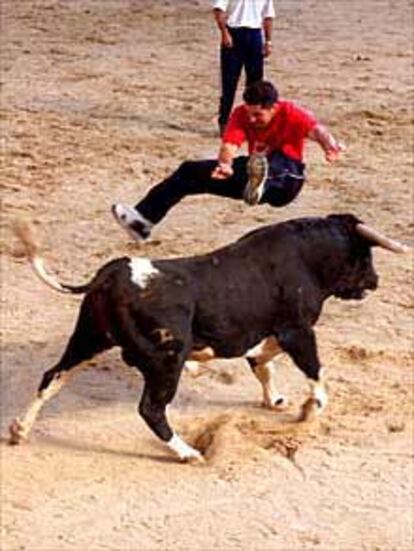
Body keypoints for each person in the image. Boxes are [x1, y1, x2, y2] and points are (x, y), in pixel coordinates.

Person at [112, 80, 344, 242]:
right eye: (249, 113)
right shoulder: (240, 114)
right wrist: (225, 165)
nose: (252, 119)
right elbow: (230, 144)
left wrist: (330, 146)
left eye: (258, 115)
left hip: (287, 181)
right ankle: (141, 222)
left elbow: (317, 131)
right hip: (252, 171)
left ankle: (263, 182)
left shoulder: (291, 113)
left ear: (273, 108)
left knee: (275, 162)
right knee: (189, 172)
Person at [213, 0, 275, 134]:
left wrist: (268, 41)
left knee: (255, 84)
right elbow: (219, 9)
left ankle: (253, 120)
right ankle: (224, 120)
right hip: (234, 32)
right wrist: (224, 32)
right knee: (229, 81)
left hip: (254, 34)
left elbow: (268, 16)